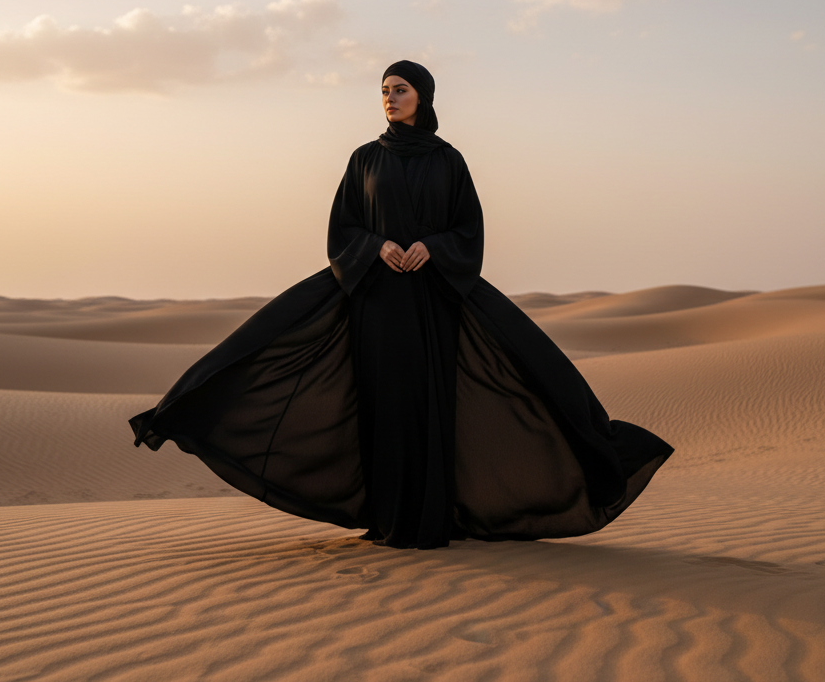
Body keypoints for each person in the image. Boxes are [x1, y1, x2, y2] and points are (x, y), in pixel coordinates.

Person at [131, 60, 673, 549]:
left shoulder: (449, 161)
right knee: (380, 405)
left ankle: (435, 519)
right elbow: (342, 227)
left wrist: (432, 248)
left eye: (401, 90)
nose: (390, 98)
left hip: (434, 301)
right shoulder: (365, 159)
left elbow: (470, 230)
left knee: (438, 399)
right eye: (384, 91)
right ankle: (389, 519)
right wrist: (377, 245)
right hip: (376, 304)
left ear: (424, 97)